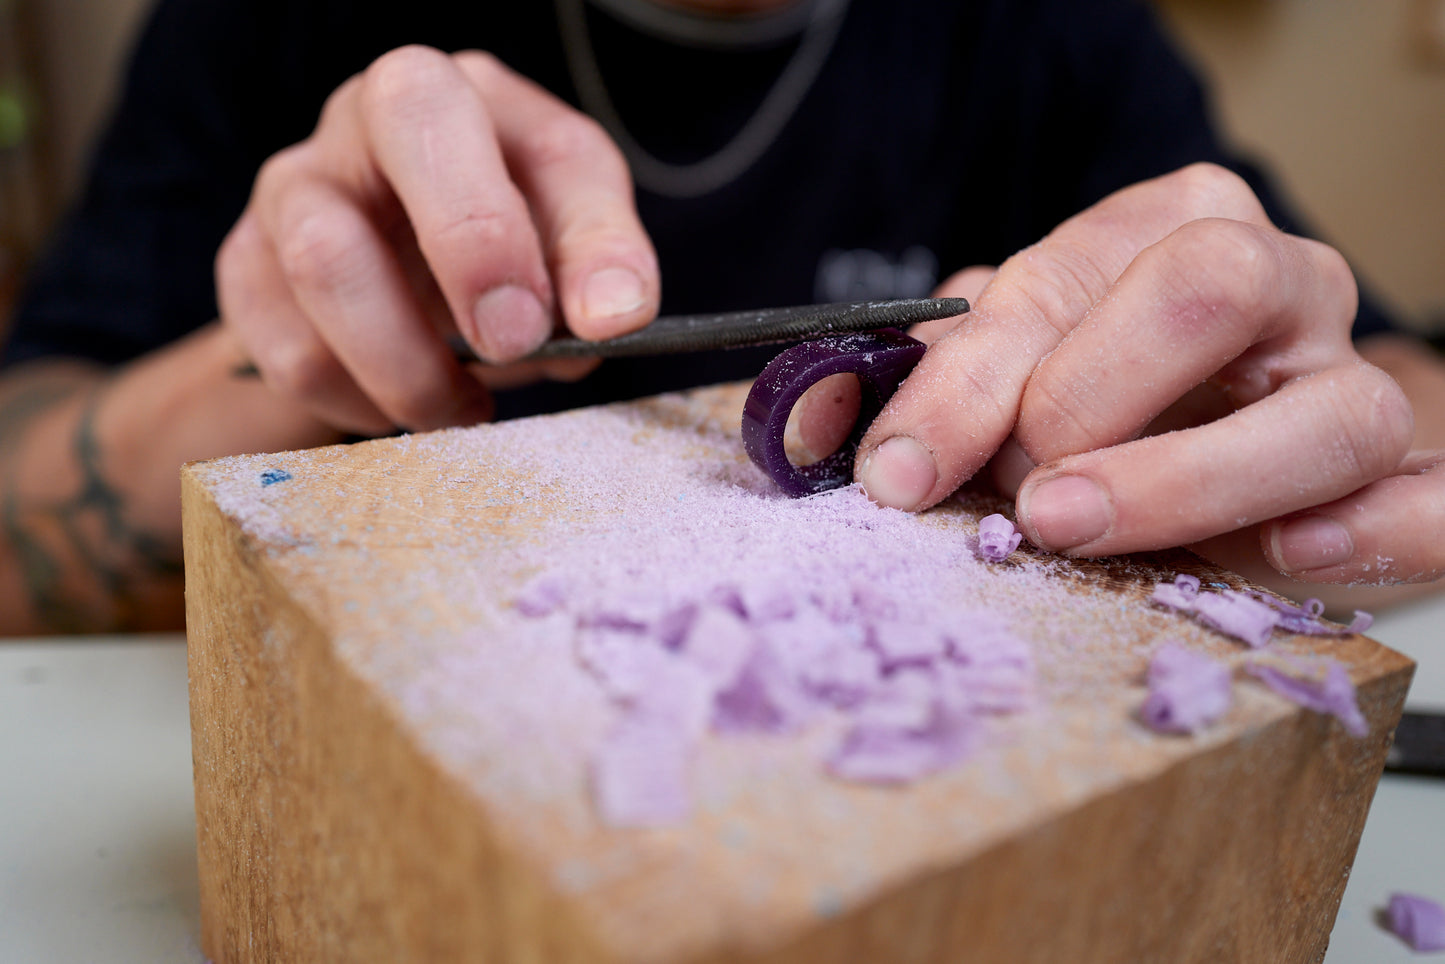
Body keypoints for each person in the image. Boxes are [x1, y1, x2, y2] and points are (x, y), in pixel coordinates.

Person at [1, 0, 1441, 635]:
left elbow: (1402, 387)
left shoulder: (1051, 38)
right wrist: (320, 352)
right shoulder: (272, 23)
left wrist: (1281, 420)